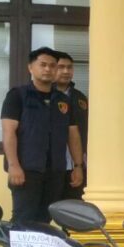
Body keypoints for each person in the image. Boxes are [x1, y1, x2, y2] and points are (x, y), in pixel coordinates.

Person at [0, 47, 84, 223]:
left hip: (55, 171)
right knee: (23, 219)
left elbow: (73, 134)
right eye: (43, 65)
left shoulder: (63, 100)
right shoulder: (17, 96)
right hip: (26, 170)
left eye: (52, 66)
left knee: (44, 220)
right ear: (30, 68)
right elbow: (9, 132)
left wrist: (78, 166)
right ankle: (14, 243)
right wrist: (14, 165)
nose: (48, 69)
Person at [55, 51, 88, 200]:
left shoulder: (80, 97)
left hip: (77, 165)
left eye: (69, 67)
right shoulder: (43, 95)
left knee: (74, 208)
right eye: (61, 67)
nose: (66, 71)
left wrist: (79, 165)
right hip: (51, 165)